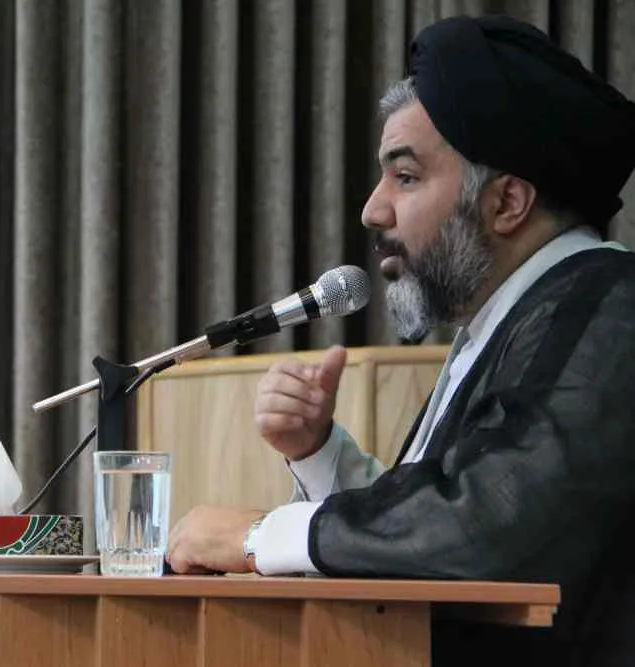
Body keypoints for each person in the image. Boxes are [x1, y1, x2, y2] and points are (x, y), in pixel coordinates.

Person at [165, 14, 635, 667]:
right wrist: (322, 455)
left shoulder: (609, 308)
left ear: (507, 202)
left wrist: (255, 536)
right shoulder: (524, 313)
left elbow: (489, 526)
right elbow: (433, 532)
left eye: (406, 177)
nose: (373, 209)